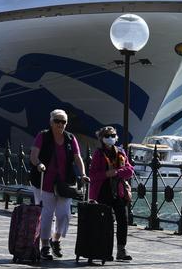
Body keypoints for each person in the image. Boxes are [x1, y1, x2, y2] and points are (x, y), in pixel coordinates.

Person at [29, 109, 89, 260]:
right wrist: (39, 164)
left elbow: (77, 158)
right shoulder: (43, 136)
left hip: (65, 183)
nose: (60, 124)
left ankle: (55, 240)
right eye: (57, 121)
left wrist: (82, 174)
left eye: (63, 122)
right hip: (45, 182)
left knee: (64, 215)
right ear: (51, 122)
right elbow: (34, 155)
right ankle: (45, 246)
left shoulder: (70, 138)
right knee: (47, 214)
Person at [89, 126, 135, 262]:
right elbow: (93, 175)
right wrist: (106, 174)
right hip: (103, 191)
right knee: (106, 223)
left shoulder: (120, 152)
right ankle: (105, 250)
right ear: (102, 138)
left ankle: (121, 250)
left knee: (123, 220)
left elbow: (129, 170)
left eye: (113, 135)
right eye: (107, 135)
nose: (111, 138)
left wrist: (116, 172)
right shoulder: (98, 154)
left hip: (118, 192)